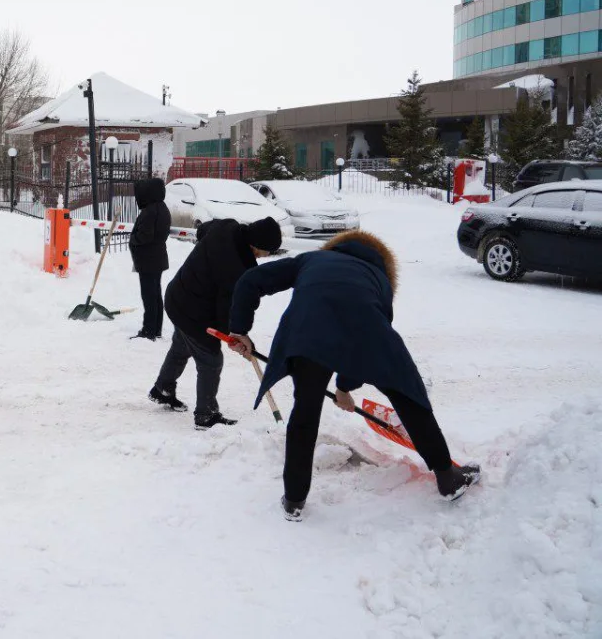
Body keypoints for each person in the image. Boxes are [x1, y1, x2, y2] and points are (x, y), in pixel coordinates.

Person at [225, 230, 480, 521]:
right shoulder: (379, 280)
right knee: (407, 393)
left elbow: (250, 280)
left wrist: (239, 329)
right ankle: (448, 477)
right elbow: (363, 340)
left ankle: (294, 500)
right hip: (360, 331)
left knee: (305, 413)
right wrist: (345, 386)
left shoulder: (313, 259)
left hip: (307, 335)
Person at [148, 216, 282, 429]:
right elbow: (227, 309)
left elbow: (203, 231)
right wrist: (234, 335)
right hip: (192, 310)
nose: (268, 256)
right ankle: (206, 415)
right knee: (211, 360)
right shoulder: (234, 269)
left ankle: (162, 389)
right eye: (270, 251)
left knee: (181, 347)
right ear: (258, 247)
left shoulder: (227, 226)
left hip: (178, 295)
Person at [128, 177, 171, 341]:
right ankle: (156, 328)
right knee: (155, 294)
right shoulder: (162, 208)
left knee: (149, 296)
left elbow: (145, 235)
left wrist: (133, 240)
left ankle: (149, 330)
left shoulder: (150, 211)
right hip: (157, 257)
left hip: (148, 259)